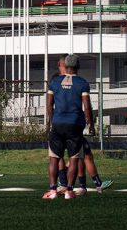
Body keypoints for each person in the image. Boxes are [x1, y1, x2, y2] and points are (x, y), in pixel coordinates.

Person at [51, 55, 112, 194]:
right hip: (69, 124)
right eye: (62, 63)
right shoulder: (56, 80)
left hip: (71, 124)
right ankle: (68, 184)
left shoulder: (74, 82)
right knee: (70, 156)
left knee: (83, 155)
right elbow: (86, 105)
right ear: (60, 65)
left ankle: (83, 185)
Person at [43, 54, 94, 200]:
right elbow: (87, 106)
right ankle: (69, 191)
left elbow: (48, 104)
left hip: (58, 124)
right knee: (74, 159)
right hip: (75, 124)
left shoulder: (54, 82)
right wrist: (90, 124)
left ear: (65, 65)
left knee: (54, 159)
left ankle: (53, 191)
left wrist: (52, 122)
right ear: (78, 66)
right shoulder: (82, 83)